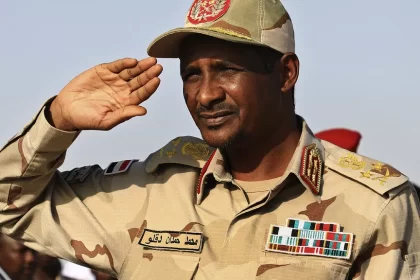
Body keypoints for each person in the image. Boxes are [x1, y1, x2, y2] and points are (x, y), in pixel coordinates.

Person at [0, 0, 419, 279]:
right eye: (191, 74)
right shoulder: (149, 191)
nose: (205, 94)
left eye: (225, 69)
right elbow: (9, 208)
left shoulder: (375, 202)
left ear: (286, 74)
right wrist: (57, 122)